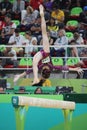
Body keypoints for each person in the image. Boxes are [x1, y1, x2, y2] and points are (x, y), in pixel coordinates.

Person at [14, 4, 83, 85]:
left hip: (44, 52)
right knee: (44, 33)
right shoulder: (47, 67)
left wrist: (75, 69)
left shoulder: (47, 67)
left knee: (34, 62)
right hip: (45, 52)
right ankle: (42, 15)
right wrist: (74, 69)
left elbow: (63, 68)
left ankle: (35, 78)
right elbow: (63, 67)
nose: (45, 67)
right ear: (44, 71)